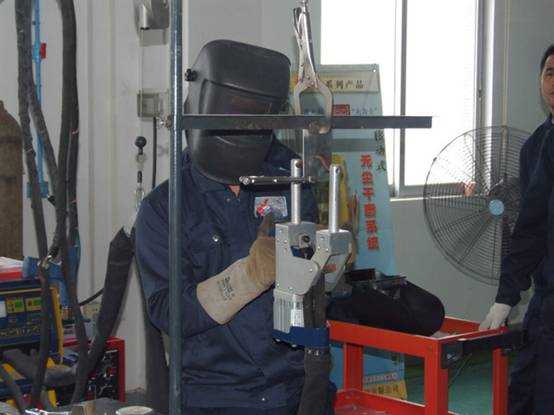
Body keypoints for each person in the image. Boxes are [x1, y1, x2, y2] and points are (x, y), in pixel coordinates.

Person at [135, 40, 329, 414]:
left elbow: (312, 287)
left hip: (295, 385)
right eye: (236, 112)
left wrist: (328, 261)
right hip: (216, 396)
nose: (244, 125)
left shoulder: (288, 180)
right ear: (202, 107)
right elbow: (167, 312)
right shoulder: (164, 208)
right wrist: (247, 277)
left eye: (256, 114)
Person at [480, 43, 554, 415]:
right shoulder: (536, 146)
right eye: (550, 73)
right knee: (523, 391)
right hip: (546, 295)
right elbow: (530, 226)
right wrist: (506, 296)